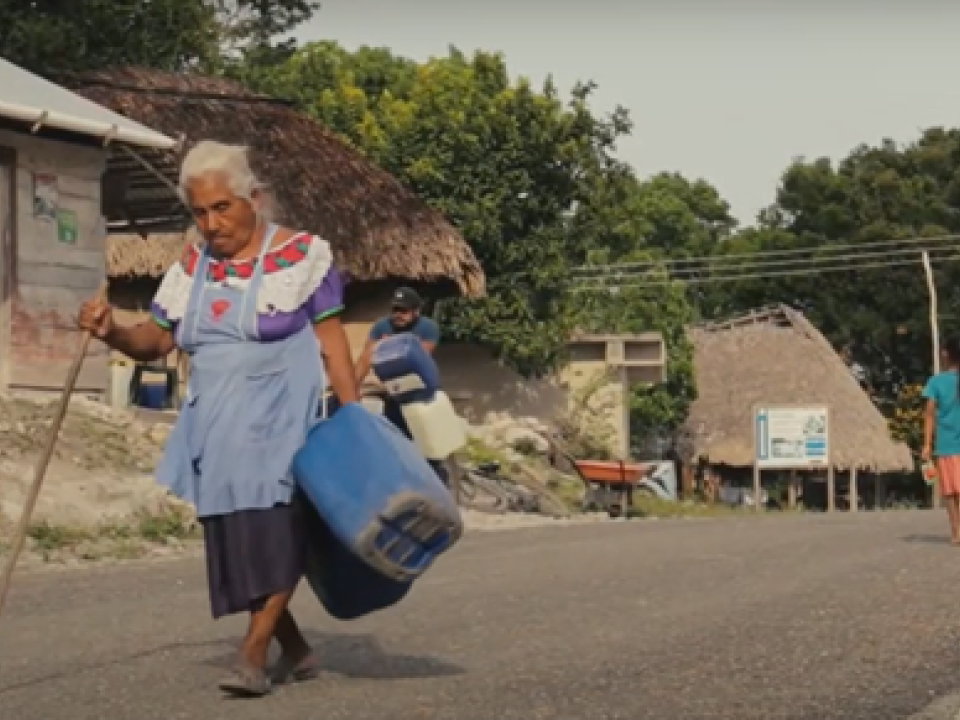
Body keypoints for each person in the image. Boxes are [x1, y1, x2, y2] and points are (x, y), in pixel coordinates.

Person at [76, 140, 359, 697]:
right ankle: (298, 650)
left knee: (282, 540)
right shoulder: (191, 269)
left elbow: (333, 346)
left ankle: (253, 655)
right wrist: (110, 330)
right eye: (200, 212)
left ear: (252, 198)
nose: (210, 223)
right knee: (242, 548)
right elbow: (154, 341)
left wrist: (355, 422)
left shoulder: (303, 258)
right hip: (218, 433)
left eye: (222, 208)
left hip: (284, 430)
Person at [353, 286, 440, 384]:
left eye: (403, 310)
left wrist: (386, 345)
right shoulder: (381, 326)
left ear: (416, 311)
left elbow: (419, 357)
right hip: (387, 377)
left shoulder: (428, 327)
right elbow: (366, 356)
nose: (398, 314)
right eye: (395, 310)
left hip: (418, 377)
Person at [922, 338, 960, 544]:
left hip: (946, 445)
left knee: (950, 493)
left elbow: (929, 414)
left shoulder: (936, 382)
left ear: (945, 355)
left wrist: (927, 444)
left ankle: (956, 532)